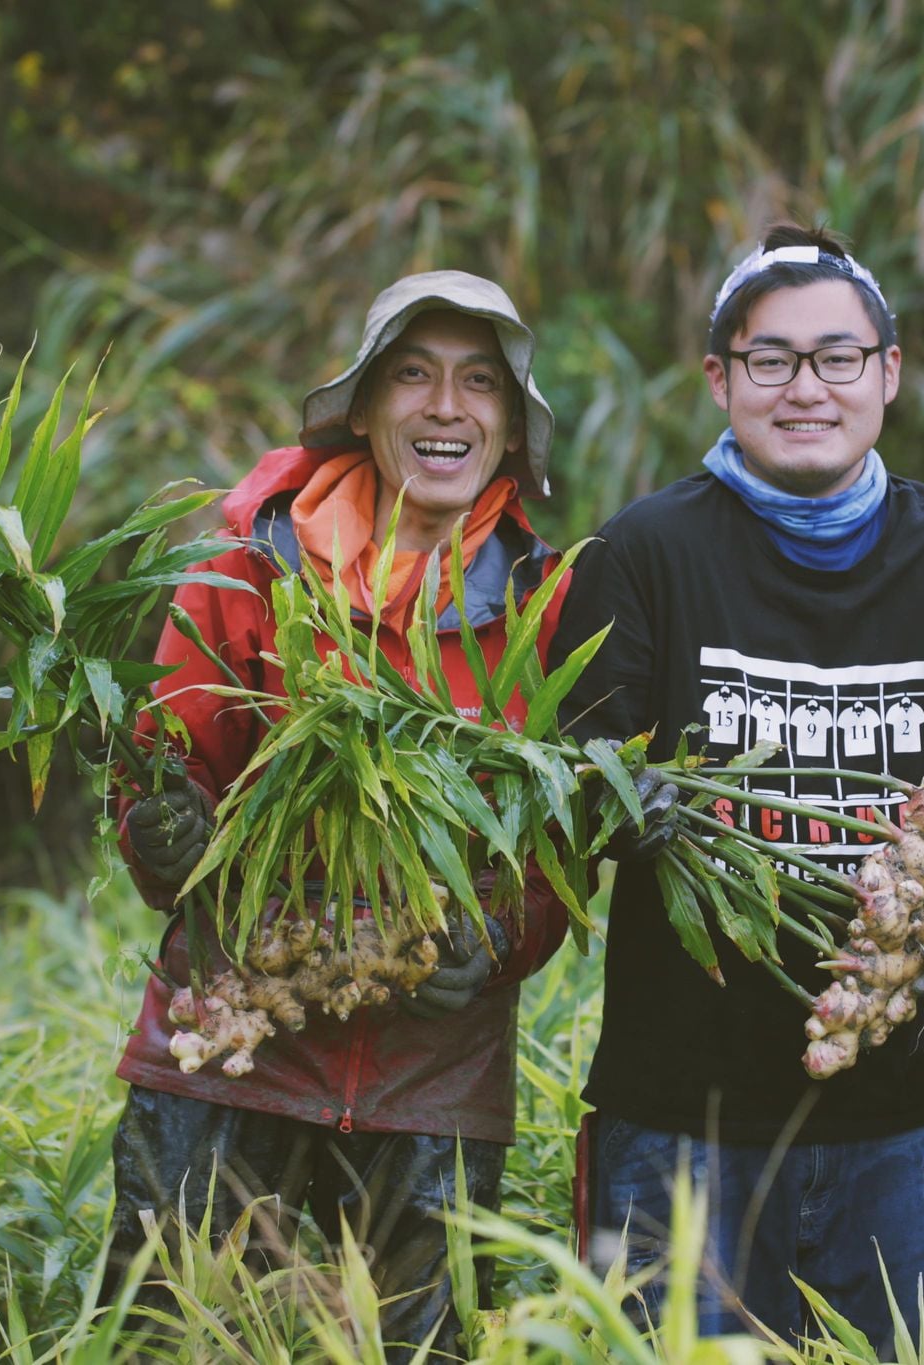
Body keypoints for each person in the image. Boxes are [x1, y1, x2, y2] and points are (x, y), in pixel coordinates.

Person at [547, 224, 924, 1356]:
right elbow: (579, 788)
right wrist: (635, 809)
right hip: (681, 1119)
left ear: (888, 372)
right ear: (720, 378)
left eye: (836, 357)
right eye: (770, 360)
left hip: (903, 1118)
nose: (805, 387)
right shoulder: (639, 554)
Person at [104, 271, 571, 1359]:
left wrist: (499, 937)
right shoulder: (247, 563)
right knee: (170, 1339)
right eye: (412, 375)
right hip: (232, 1041)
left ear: (508, 428)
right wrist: (160, 835)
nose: (446, 406)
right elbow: (162, 768)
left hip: (429, 1072)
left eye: (478, 384)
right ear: (362, 408)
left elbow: (554, 850)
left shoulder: (545, 606)